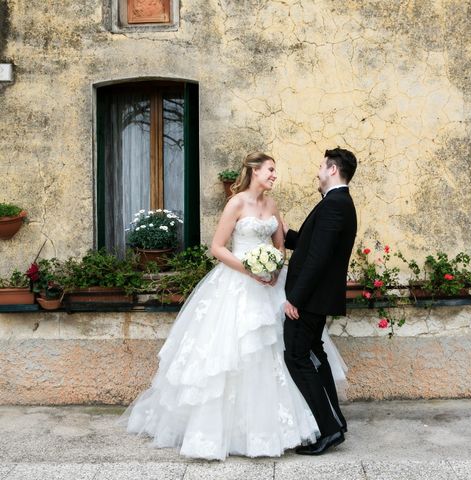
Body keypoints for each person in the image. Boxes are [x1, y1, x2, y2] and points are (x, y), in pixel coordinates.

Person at [121, 152, 347, 461]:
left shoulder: (271, 205)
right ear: (254, 171)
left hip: (271, 286)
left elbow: (280, 244)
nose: (274, 175)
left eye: (274, 171)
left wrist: (276, 268)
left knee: (282, 352)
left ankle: (294, 427)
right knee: (234, 353)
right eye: (270, 170)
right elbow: (217, 246)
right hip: (238, 283)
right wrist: (249, 269)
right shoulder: (236, 203)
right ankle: (229, 431)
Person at [283, 147, 358, 455]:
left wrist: (295, 299)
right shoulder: (336, 203)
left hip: (310, 300)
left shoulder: (335, 204)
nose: (316, 171)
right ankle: (336, 422)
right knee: (314, 353)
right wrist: (282, 232)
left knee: (297, 357)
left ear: (332, 170)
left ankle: (328, 430)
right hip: (317, 298)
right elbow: (309, 244)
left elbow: (318, 257)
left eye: (320, 166)